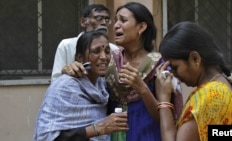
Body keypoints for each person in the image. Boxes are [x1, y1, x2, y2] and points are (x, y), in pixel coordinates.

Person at [62, 2, 183, 141]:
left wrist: (142, 89)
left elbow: (166, 119)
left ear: (141, 27)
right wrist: (70, 69)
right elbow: (86, 86)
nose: (115, 25)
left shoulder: (159, 66)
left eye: (123, 20)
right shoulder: (108, 61)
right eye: (116, 20)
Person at [155, 21, 232, 141]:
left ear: (195, 59)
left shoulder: (211, 96)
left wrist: (163, 99)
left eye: (175, 67)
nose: (173, 74)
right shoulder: (221, 86)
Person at [33, 31, 128, 141]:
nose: (104, 57)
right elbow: (47, 137)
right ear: (80, 58)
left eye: (107, 52)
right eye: (96, 51)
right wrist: (99, 128)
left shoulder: (103, 86)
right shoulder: (64, 87)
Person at [51, 4, 118, 82]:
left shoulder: (114, 50)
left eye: (107, 19)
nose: (103, 23)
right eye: (99, 18)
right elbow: (56, 80)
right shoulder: (67, 45)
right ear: (83, 22)